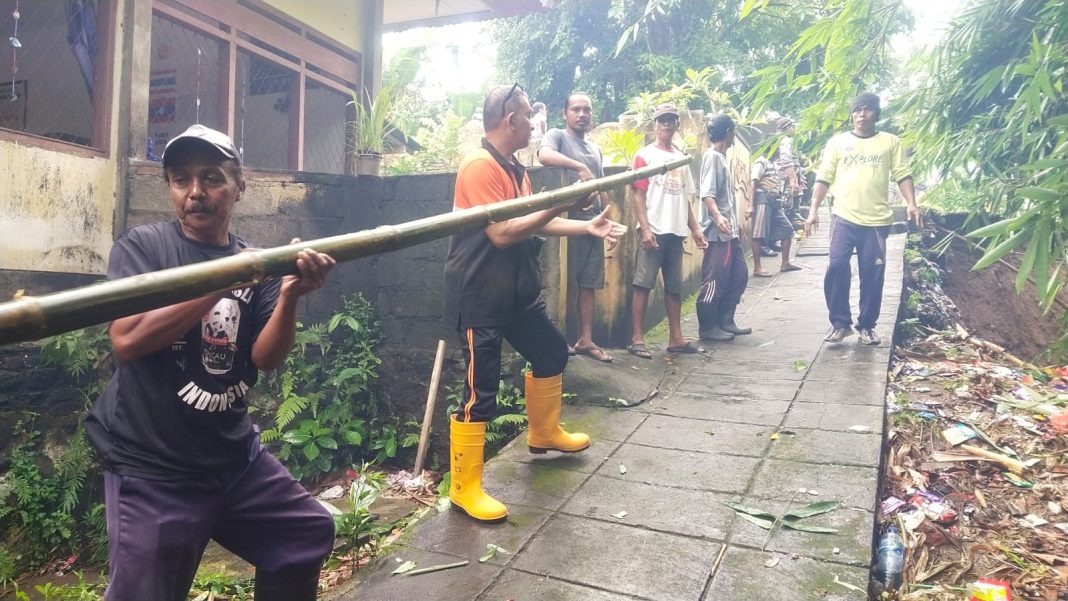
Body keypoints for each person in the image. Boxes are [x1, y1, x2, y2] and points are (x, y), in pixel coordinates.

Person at [85, 124, 337, 601]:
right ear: (170, 188)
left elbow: (265, 356)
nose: (195, 192)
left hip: (233, 460)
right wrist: (223, 282)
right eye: (182, 179)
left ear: (240, 186)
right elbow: (128, 339)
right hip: (154, 466)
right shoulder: (145, 248)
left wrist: (288, 297)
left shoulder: (257, 262)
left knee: (303, 533)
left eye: (212, 177)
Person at [443, 84, 626, 523]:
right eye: (528, 116)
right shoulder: (478, 167)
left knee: (549, 352)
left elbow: (533, 223)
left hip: (517, 293)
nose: (533, 124)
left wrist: (587, 227)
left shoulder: (514, 168)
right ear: (510, 119)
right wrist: (558, 202)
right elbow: (503, 232)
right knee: (477, 395)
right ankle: (463, 488)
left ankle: (543, 434)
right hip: (481, 296)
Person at [805, 92, 922, 345]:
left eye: (867, 109)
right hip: (843, 217)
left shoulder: (890, 142)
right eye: (857, 110)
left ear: (877, 114)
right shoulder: (837, 143)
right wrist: (813, 210)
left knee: (872, 274)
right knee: (836, 266)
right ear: (852, 114)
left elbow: (903, 174)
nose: (861, 114)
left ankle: (867, 326)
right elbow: (824, 177)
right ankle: (840, 324)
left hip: (877, 222)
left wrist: (911, 203)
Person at [627, 104, 708, 358]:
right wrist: (646, 229)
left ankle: (676, 338)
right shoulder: (644, 155)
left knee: (674, 287)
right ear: (655, 125)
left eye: (671, 120)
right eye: (662, 120)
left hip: (675, 231)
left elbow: (685, 198)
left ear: (677, 124)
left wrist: (694, 229)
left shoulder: (681, 158)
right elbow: (638, 195)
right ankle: (637, 339)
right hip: (654, 229)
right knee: (643, 284)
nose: (666, 124)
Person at [537, 92, 612, 363]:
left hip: (593, 222)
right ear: (565, 114)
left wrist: (608, 215)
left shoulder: (595, 148)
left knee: (588, 283)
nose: (582, 114)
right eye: (576, 110)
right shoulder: (557, 136)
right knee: (565, 282)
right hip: (565, 221)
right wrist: (578, 166)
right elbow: (543, 156)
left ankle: (585, 340)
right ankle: (562, 339)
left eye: (587, 110)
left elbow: (601, 184)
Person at [695, 115, 750, 341]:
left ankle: (726, 320)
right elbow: (708, 195)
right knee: (714, 279)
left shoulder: (722, 158)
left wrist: (735, 225)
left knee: (739, 275)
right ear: (728, 132)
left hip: (730, 232)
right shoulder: (712, 157)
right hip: (718, 233)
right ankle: (708, 327)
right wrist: (718, 219)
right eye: (733, 132)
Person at [748, 145, 802, 277]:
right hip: (763, 199)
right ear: (771, 148)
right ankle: (757, 267)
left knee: (787, 229)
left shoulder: (773, 164)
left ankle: (785, 263)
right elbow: (753, 183)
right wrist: (750, 205)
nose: (780, 151)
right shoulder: (761, 161)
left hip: (774, 201)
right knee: (758, 234)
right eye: (778, 148)